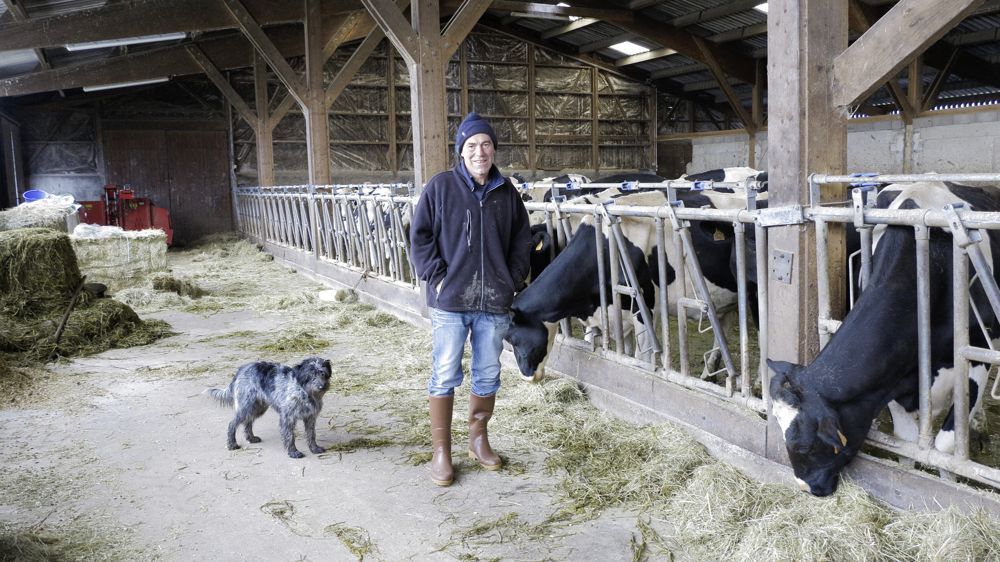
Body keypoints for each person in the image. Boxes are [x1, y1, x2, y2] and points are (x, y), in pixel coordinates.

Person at [409, 112, 532, 487]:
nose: (480, 152)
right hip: (451, 300)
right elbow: (420, 235)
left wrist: (510, 281)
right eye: (472, 146)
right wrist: (438, 277)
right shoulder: (441, 187)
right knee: (445, 371)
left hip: (493, 301)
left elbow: (522, 241)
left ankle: (478, 440)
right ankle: (441, 450)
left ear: (494, 149)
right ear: (461, 152)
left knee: (488, 372)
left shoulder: (507, 193)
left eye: (486, 144)